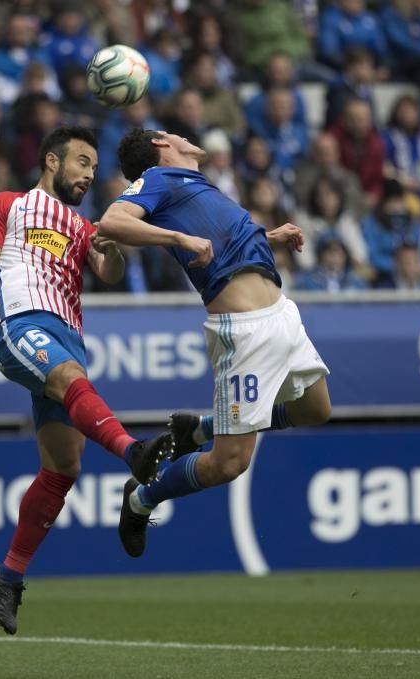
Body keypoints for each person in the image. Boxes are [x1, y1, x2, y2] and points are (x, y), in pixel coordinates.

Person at [0, 127, 172, 635]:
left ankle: (8, 576)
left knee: (64, 466)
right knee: (69, 377)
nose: (88, 173)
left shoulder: (81, 227)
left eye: (93, 165)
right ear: (52, 161)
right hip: (22, 325)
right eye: (81, 161)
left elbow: (108, 271)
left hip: (68, 336)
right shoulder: (7, 204)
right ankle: (133, 454)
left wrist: (112, 245)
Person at [99, 128, 332, 559]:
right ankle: (140, 500)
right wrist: (178, 239)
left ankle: (200, 427)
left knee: (316, 409)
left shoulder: (196, 185)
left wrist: (266, 236)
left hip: (282, 314)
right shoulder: (157, 178)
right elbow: (112, 221)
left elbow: (222, 233)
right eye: (172, 132)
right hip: (243, 332)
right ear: (159, 144)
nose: (183, 134)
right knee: (229, 463)